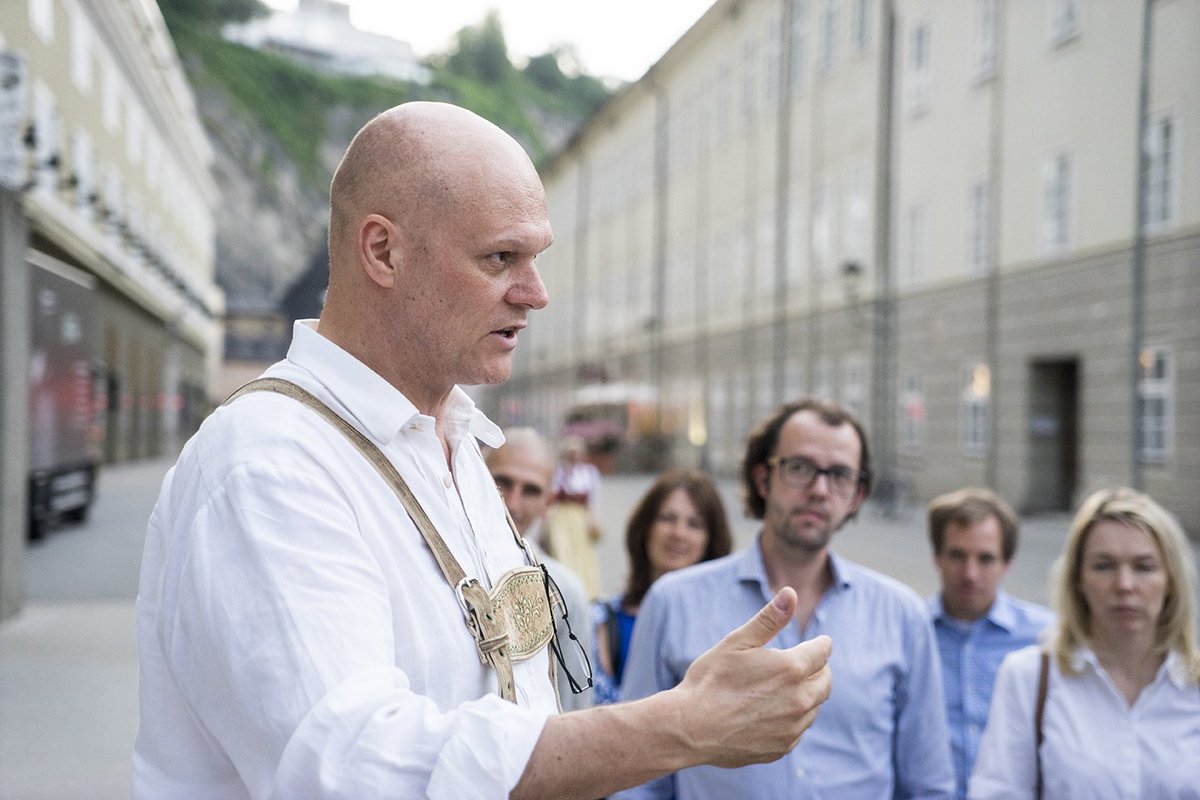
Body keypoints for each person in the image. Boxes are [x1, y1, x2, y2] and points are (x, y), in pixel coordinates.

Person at [132, 101, 833, 799]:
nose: (536, 294)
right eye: (501, 257)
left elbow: (509, 695)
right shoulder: (269, 462)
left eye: (536, 258)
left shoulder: (456, 440)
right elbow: (355, 770)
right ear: (383, 250)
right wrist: (682, 724)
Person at [616, 398, 955, 799]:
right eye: (800, 468)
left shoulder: (901, 615)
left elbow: (928, 784)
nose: (819, 490)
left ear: (857, 495)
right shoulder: (674, 602)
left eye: (840, 475)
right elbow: (636, 775)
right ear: (763, 479)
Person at [970, 487, 1200, 799]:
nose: (1124, 585)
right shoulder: (1030, 677)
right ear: (1077, 578)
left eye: (1144, 567)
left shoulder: (1192, 685)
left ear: (1171, 580)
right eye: (1103, 566)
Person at [925, 488, 1054, 800]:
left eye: (986, 559)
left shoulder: (1046, 639)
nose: (970, 574)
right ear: (937, 557)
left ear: (1006, 563)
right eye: (957, 555)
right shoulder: (911, 633)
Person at [592, 469, 734, 704]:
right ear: (645, 527)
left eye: (694, 524)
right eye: (668, 518)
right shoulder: (602, 620)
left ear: (711, 540)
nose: (679, 533)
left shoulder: (725, 626)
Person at [485, 427, 595, 712]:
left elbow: (573, 710)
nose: (513, 503)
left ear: (548, 503)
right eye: (503, 483)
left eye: (530, 490)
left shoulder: (563, 591)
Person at [547, 434, 604, 598]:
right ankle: (564, 589)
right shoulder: (561, 473)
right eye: (571, 453)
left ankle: (586, 591)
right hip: (562, 518)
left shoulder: (589, 473)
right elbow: (552, 496)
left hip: (580, 518)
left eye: (577, 452)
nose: (574, 457)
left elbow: (594, 498)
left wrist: (592, 518)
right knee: (563, 551)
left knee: (582, 553)